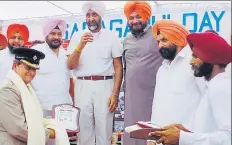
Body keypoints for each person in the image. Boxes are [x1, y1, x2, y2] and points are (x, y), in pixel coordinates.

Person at [149, 32, 231, 145]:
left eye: (196, 56)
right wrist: (186, 131)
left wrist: (183, 138)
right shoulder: (211, 86)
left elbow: (228, 138)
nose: (191, 61)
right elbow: (209, 130)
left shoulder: (221, 88)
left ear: (211, 60)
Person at [67, 1, 123, 145]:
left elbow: (118, 67)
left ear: (101, 16)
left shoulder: (112, 36)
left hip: (105, 85)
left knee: (104, 131)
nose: (90, 18)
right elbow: (70, 65)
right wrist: (80, 46)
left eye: (94, 15)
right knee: (84, 131)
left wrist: (115, 94)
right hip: (82, 85)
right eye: (88, 15)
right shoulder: (77, 36)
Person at [0, 48, 70, 145]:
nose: (32, 72)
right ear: (15, 65)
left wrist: (52, 124)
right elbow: (18, 129)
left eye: (34, 69)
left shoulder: (25, 88)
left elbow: (34, 119)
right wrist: (50, 133)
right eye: (28, 68)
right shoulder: (8, 90)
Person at [147, 19, 205, 145]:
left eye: (164, 40)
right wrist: (152, 137)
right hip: (162, 138)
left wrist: (193, 133)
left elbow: (209, 100)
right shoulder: (162, 69)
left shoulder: (194, 62)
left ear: (177, 38)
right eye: (158, 41)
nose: (160, 45)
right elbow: (157, 106)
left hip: (187, 138)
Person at [122, 2, 163, 145]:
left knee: (150, 133)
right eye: (131, 18)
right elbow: (124, 68)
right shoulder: (125, 41)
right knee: (131, 132)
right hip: (131, 97)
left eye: (138, 17)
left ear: (147, 16)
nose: (134, 21)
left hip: (154, 96)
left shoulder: (158, 36)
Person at [0, 23, 30, 145]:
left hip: (20, 107)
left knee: (19, 138)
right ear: (8, 38)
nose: (16, 41)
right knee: (0, 139)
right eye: (13, 37)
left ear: (24, 41)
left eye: (20, 38)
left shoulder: (27, 58)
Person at [31, 19, 74, 145]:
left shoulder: (66, 54)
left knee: (61, 142)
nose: (56, 37)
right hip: (42, 109)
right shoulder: (36, 51)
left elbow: (71, 81)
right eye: (53, 33)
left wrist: (73, 103)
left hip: (63, 110)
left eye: (59, 34)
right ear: (46, 34)